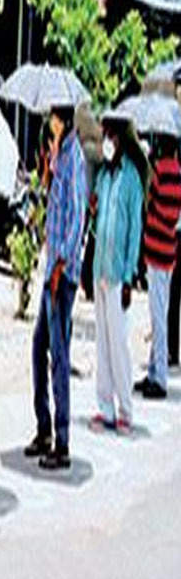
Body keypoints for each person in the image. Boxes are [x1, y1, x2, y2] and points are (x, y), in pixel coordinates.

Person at [28, 104, 88, 471]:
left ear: (62, 120)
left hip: (61, 275)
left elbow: (78, 215)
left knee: (58, 355)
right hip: (52, 267)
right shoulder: (58, 156)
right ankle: (44, 427)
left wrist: (62, 263)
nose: (48, 119)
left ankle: (61, 440)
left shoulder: (75, 159)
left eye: (52, 115)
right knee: (39, 346)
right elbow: (55, 206)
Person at [89, 115, 144, 432]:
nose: (106, 139)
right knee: (102, 342)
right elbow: (98, 225)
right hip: (99, 268)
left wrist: (130, 275)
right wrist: (93, 210)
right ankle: (105, 406)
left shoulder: (131, 179)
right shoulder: (105, 177)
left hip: (119, 272)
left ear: (122, 138)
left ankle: (125, 409)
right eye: (104, 133)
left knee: (119, 343)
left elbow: (134, 229)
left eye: (111, 134)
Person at [138, 134, 181, 400]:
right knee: (160, 310)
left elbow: (151, 204)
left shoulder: (160, 172)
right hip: (169, 250)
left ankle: (160, 378)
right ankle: (154, 369)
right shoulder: (178, 173)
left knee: (157, 315)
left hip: (155, 248)